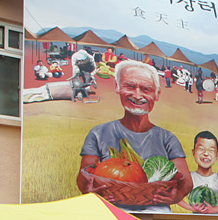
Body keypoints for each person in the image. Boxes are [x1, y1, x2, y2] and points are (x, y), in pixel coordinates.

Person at [77, 60, 193, 212]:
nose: (137, 95)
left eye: (146, 89)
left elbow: (186, 182)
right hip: (111, 212)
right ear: (117, 87)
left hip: (156, 215)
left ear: (157, 95)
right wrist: (91, 193)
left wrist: (175, 196)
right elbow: (84, 178)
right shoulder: (99, 133)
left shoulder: (167, 138)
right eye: (130, 86)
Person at [176, 131, 218, 214]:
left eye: (211, 150)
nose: (206, 153)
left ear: (217, 155)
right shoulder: (189, 178)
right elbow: (176, 197)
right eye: (201, 149)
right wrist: (193, 209)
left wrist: (213, 210)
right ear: (193, 152)